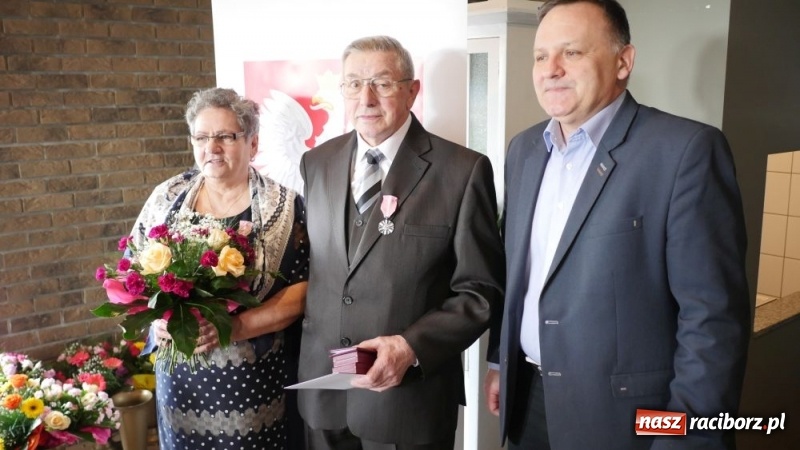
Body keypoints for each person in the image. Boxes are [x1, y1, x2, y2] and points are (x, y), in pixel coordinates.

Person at [484, 1, 751, 449]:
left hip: (623, 420)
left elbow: (712, 321)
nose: (550, 69)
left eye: (571, 52)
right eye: (540, 55)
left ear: (623, 62)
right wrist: (500, 361)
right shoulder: (524, 150)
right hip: (527, 400)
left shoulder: (685, 152)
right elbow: (518, 274)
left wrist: (684, 439)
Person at [298, 35, 505, 449]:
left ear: (412, 91)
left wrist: (411, 347)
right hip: (324, 398)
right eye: (354, 84)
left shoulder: (462, 171)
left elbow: (481, 291)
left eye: (382, 83)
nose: (366, 98)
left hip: (408, 403)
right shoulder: (316, 162)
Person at [134, 87, 309, 450]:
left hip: (251, 380)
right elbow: (133, 275)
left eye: (226, 137)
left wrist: (233, 328)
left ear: (253, 143)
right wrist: (156, 321)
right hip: (179, 381)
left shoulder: (285, 206)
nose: (211, 147)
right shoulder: (167, 197)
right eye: (201, 137)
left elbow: (304, 290)